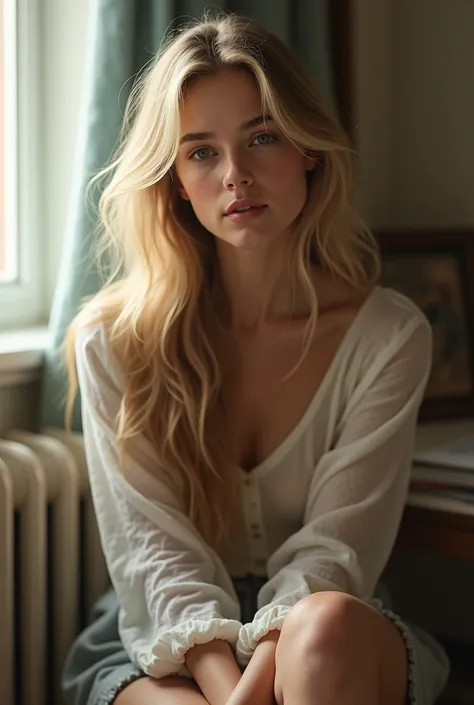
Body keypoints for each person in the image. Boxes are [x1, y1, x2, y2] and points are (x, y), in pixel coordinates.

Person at [62, 12, 450, 705]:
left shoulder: (387, 336)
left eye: (261, 137)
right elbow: (156, 558)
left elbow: (335, 553)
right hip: (166, 634)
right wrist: (232, 692)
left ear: (306, 147)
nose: (235, 175)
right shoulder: (112, 341)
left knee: (321, 633)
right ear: (176, 179)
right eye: (202, 152)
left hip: (328, 624)